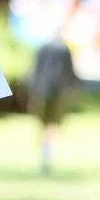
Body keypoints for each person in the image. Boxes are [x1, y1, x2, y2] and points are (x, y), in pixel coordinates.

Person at [26, 33, 79, 174]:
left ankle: (45, 154)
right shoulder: (63, 49)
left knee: (46, 125)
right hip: (57, 91)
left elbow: (35, 71)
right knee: (52, 125)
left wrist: (32, 90)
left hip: (43, 90)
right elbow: (70, 72)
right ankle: (47, 154)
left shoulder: (44, 48)